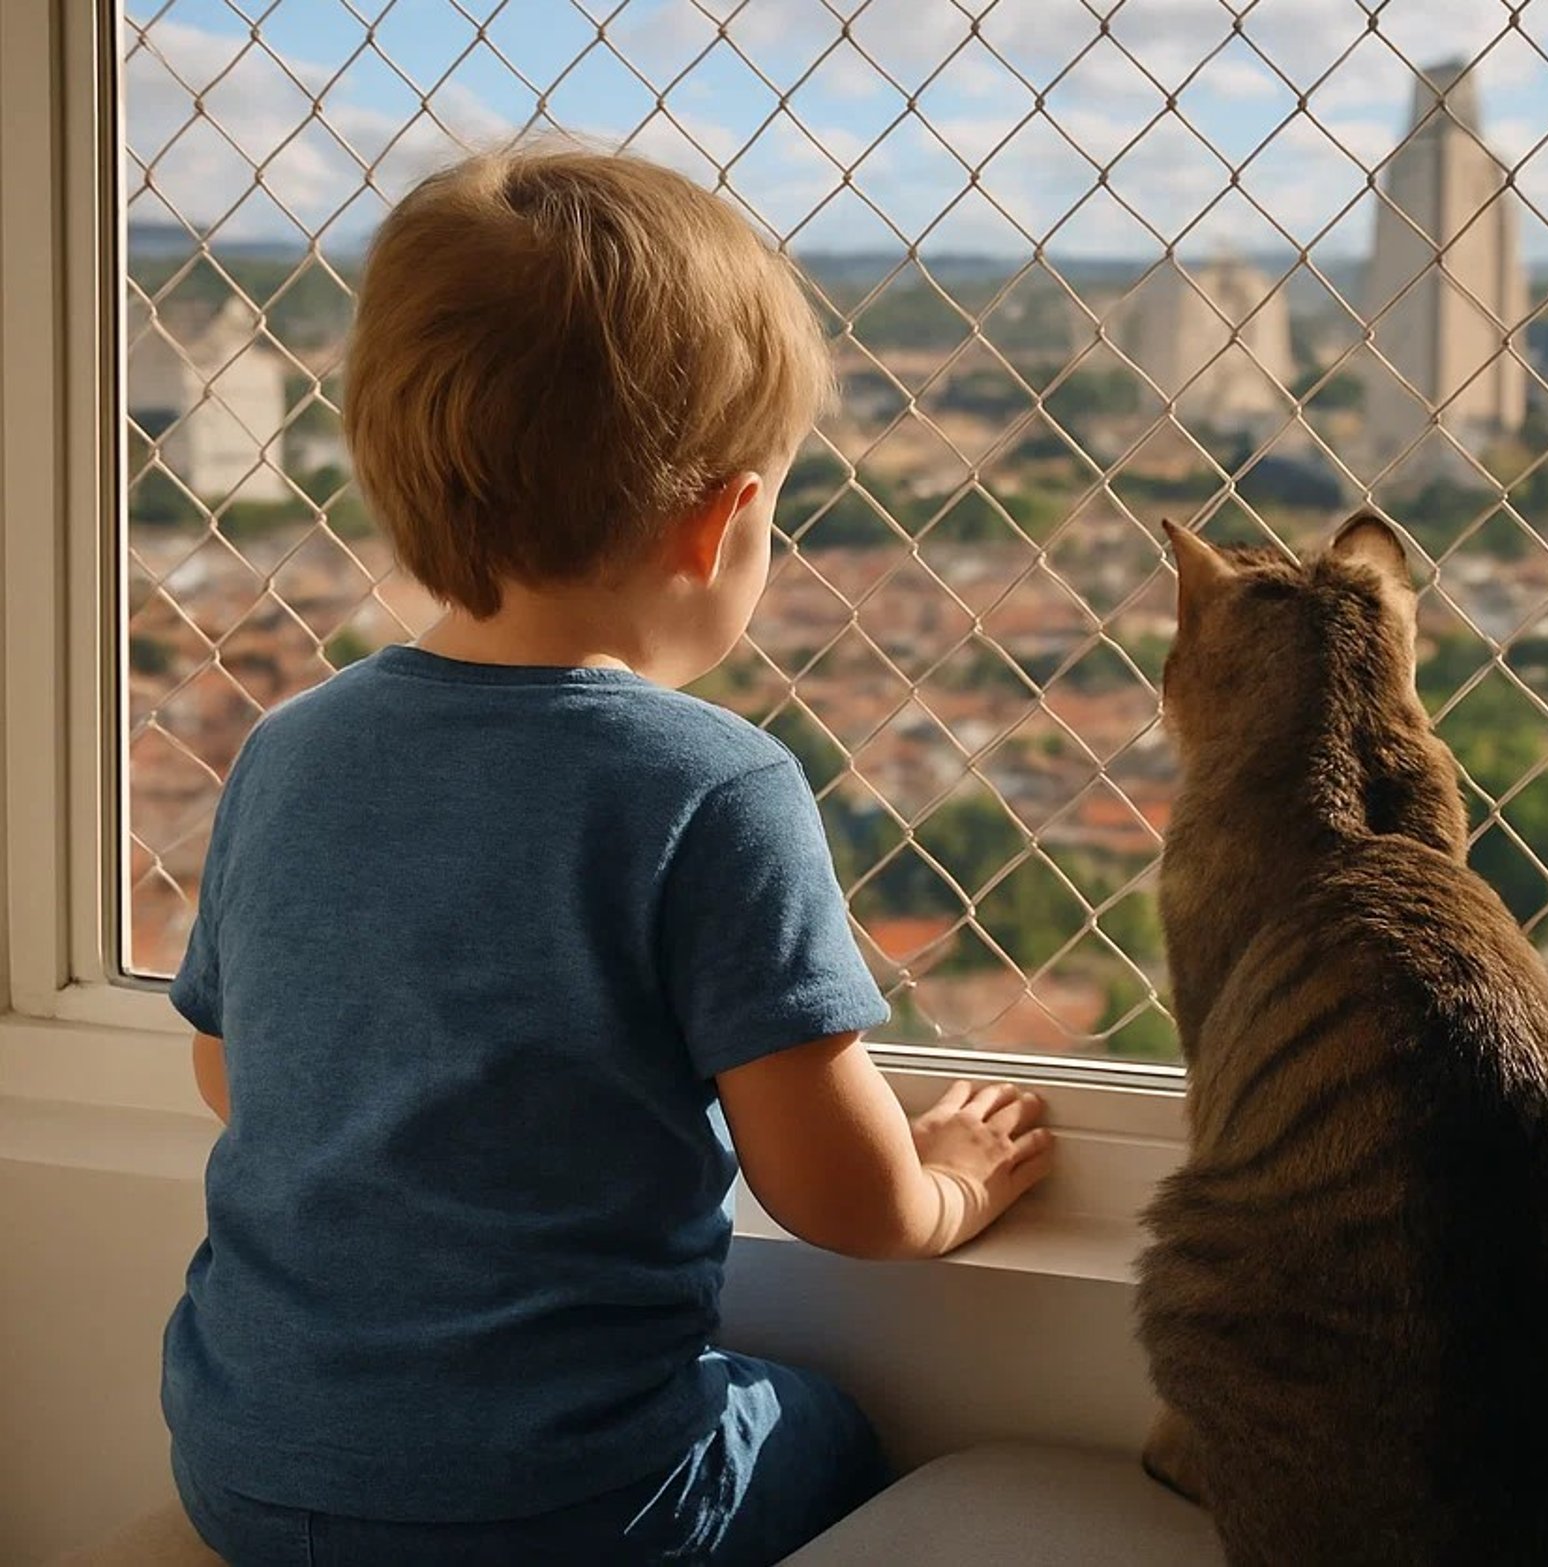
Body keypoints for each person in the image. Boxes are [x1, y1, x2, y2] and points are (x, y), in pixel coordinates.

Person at [162, 146, 1053, 1566]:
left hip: (242, 1463)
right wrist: (945, 1184)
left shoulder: (292, 745)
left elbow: (229, 1069)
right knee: (829, 1423)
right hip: (563, 1511)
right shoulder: (716, 785)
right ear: (723, 522)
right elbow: (843, 1200)